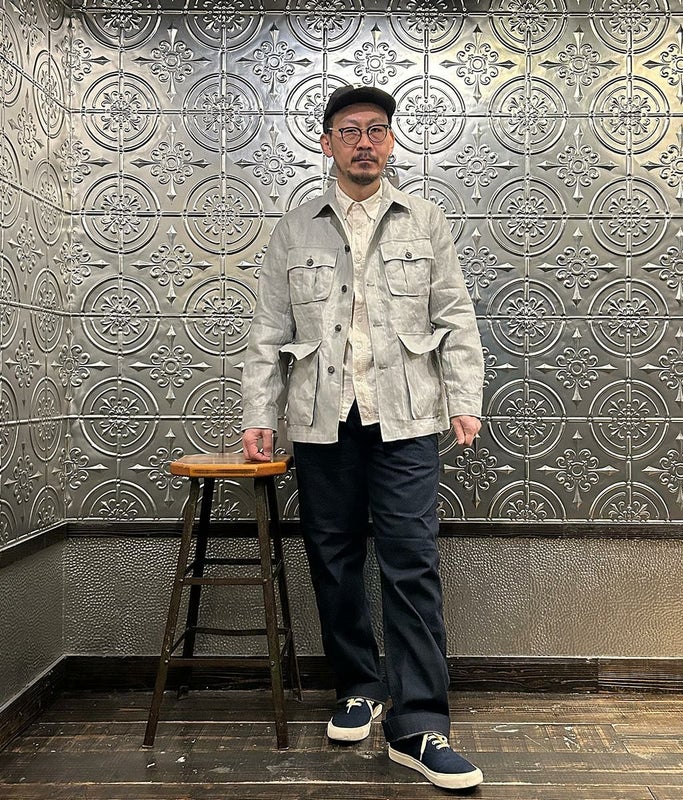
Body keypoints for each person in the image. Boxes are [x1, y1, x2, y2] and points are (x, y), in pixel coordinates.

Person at [241, 83, 484, 791]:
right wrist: (259, 414)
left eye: (377, 129)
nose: (365, 142)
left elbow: (455, 315)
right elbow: (269, 329)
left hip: (406, 415)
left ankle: (420, 723)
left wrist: (464, 400)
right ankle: (358, 685)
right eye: (350, 130)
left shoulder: (425, 220)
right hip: (322, 417)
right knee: (334, 556)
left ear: (392, 141)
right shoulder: (296, 229)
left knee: (411, 560)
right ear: (327, 143)